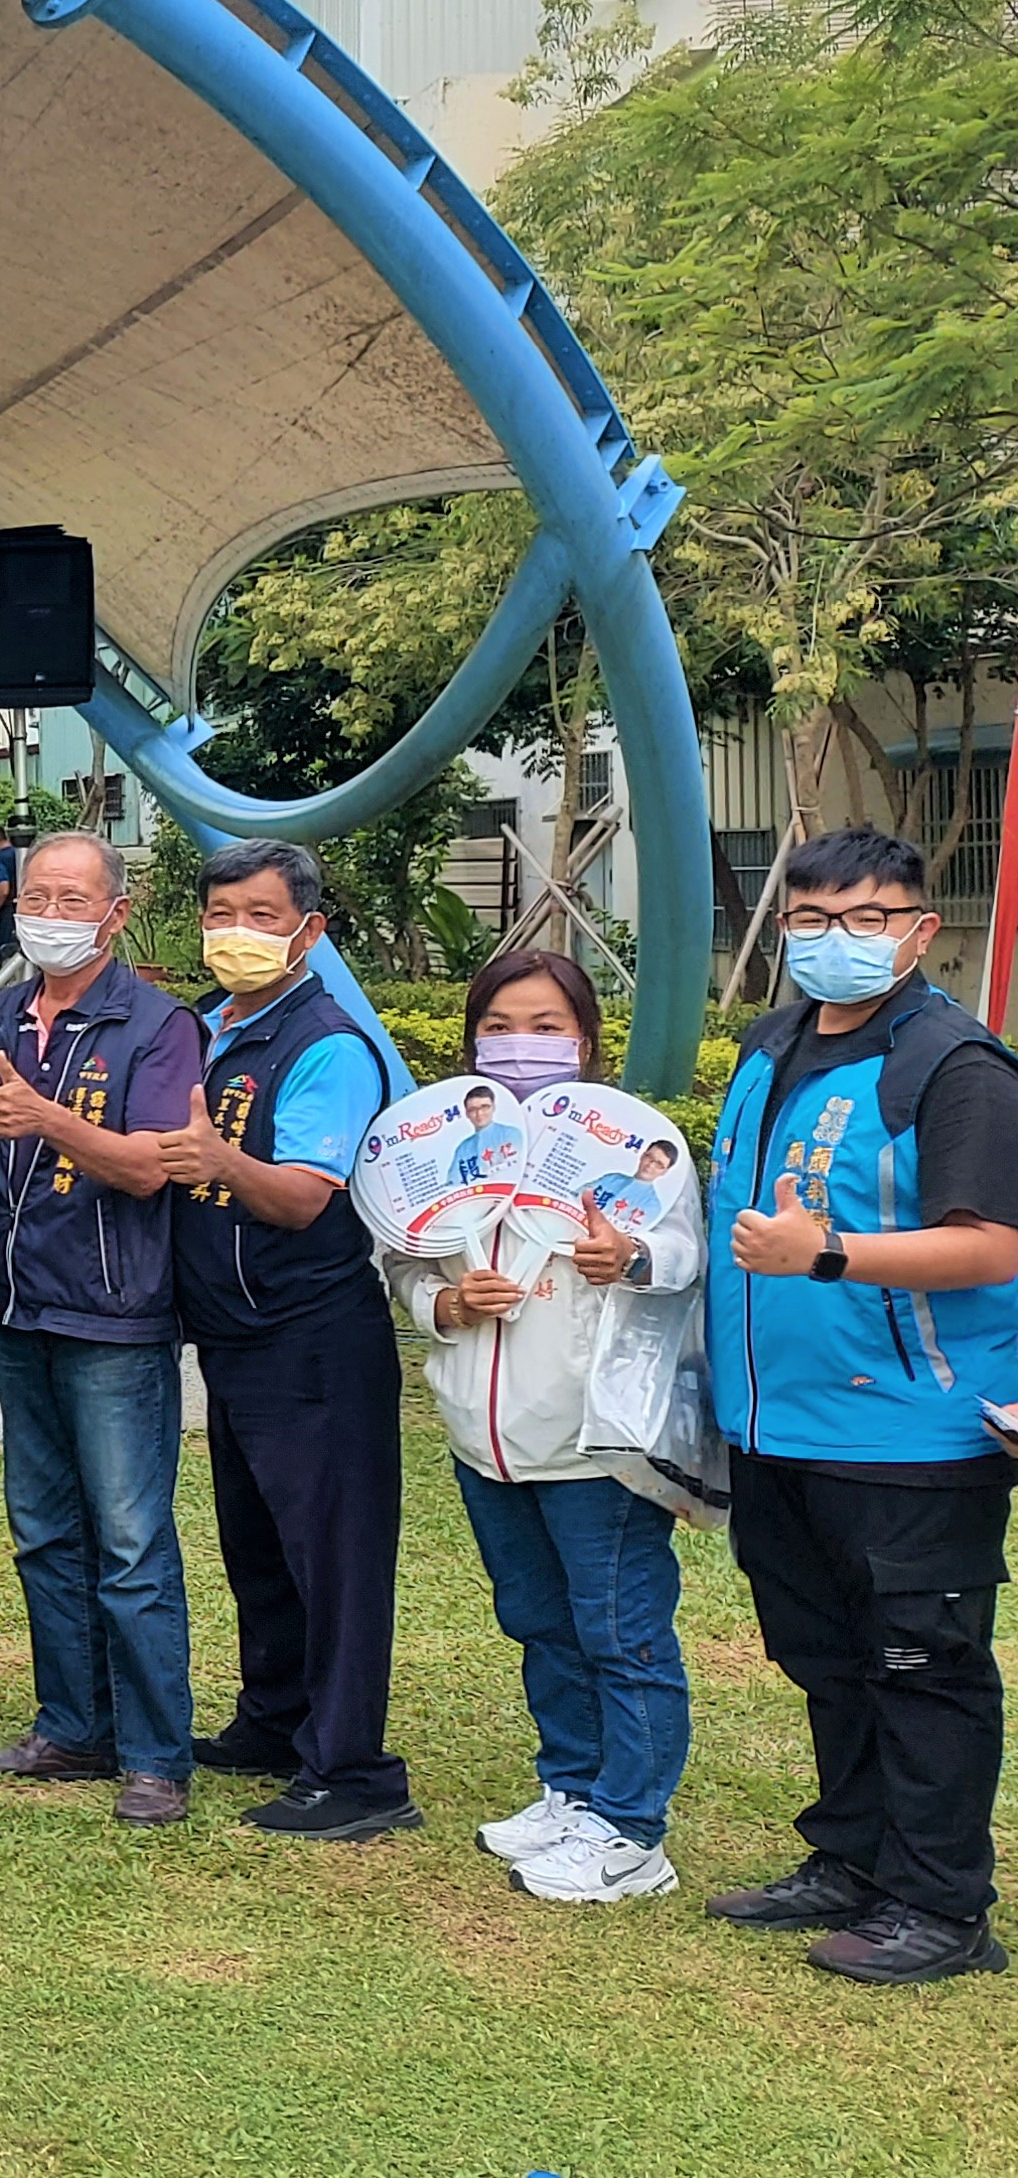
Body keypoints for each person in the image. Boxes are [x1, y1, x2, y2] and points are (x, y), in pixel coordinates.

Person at [697, 826, 1018, 1984]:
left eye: (866, 919)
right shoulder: (769, 1042)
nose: (837, 941)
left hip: (908, 1431)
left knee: (921, 1665)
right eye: (813, 919)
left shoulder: (952, 1064)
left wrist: (826, 1254)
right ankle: (851, 1857)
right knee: (821, 1654)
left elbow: (990, 1248)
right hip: (775, 1423)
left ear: (919, 930)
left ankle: (940, 1905)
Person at [387, 949, 696, 1904]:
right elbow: (399, 1255)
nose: (521, 1047)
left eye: (547, 1028)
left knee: (621, 1633)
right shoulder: (441, 1151)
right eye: (501, 1027)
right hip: (486, 1443)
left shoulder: (634, 1148)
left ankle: (632, 1833)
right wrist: (445, 1300)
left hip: (589, 1445)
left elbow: (686, 1253)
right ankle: (572, 1789)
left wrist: (631, 1255)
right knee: (537, 1622)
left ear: (588, 1042)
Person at [160, 839, 421, 1840]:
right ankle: (273, 1721)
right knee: (258, 1545)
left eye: (260, 915)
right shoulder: (212, 1025)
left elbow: (304, 1199)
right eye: (221, 911)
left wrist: (213, 1160)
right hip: (234, 1337)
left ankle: (354, 1769)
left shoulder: (326, 1044)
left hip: (309, 1337)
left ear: (308, 930)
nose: (235, 931)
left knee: (333, 1557)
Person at [0, 828, 207, 1825]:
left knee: (132, 1541)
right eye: (35, 897)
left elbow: (152, 1166)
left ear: (115, 912)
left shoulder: (153, 1025)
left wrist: (48, 1115)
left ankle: (155, 1755)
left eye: (71, 899)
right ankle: (71, 1726)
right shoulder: (6, 1018)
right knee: (42, 1534)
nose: (47, 914)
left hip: (112, 1320)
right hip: (20, 1314)